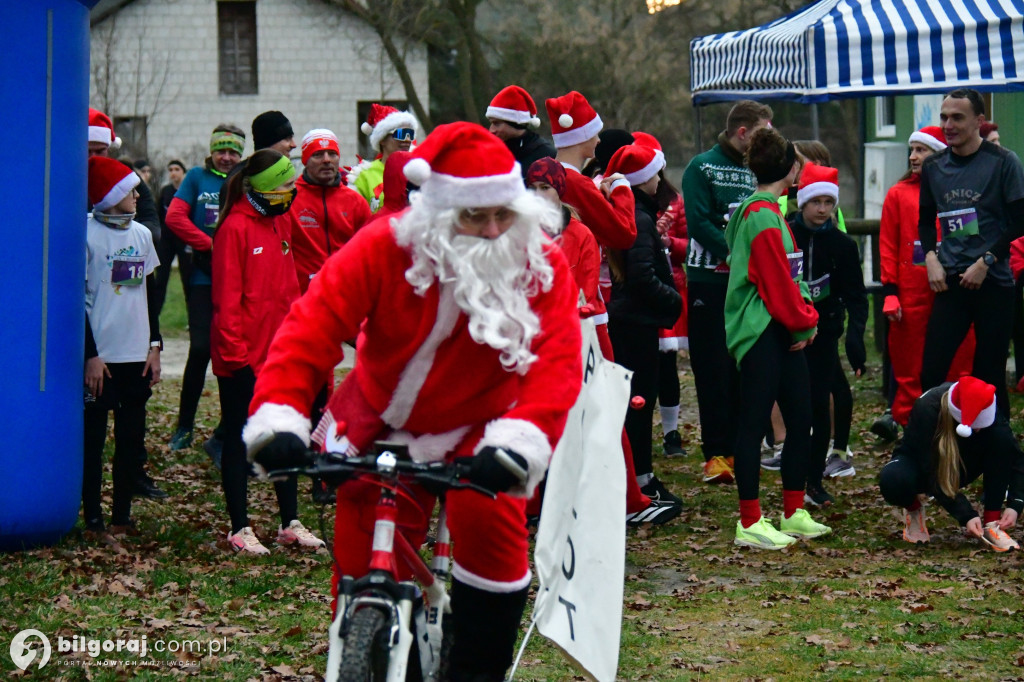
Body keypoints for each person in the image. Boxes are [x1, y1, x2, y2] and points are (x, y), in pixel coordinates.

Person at [243, 122, 583, 680]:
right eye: (474, 216)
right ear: (439, 214)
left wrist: (522, 442)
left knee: (493, 543)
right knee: (358, 551)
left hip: (484, 424)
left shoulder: (539, 263)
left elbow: (557, 361)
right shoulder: (385, 245)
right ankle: (358, 646)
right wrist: (279, 414)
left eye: (503, 212)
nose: (494, 229)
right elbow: (312, 324)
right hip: (378, 420)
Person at [526, 156, 676, 526]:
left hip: (586, 338)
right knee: (536, 423)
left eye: (547, 187)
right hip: (535, 343)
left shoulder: (581, 235)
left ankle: (624, 499)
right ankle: (533, 505)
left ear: (561, 191)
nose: (540, 195)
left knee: (602, 419)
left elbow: (587, 293)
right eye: (535, 188)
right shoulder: (520, 234)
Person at [211, 149, 324, 555]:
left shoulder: (281, 220)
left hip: (279, 357)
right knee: (242, 440)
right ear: (261, 188)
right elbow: (227, 303)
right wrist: (239, 361)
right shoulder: (234, 229)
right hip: (240, 361)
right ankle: (239, 527)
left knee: (286, 433)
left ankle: (289, 522)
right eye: (284, 184)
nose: (291, 190)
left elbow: (289, 289)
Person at [724, 126, 831, 550]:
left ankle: (792, 510)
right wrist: (805, 324)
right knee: (753, 424)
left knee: (801, 418)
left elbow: (790, 276)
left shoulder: (769, 211)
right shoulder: (763, 216)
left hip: (780, 329)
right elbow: (776, 285)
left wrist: (802, 319)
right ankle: (750, 520)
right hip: (763, 331)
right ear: (790, 169)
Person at [683, 100, 773, 484]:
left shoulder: (759, 170)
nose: (768, 140)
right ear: (743, 132)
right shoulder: (701, 166)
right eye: (762, 132)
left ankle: (743, 446)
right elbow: (699, 221)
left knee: (745, 364)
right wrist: (737, 253)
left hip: (749, 283)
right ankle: (716, 453)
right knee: (712, 366)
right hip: (710, 280)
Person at [919, 89, 1024, 417]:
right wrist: (931, 257)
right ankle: (934, 451)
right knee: (931, 372)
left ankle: (998, 457)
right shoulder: (934, 166)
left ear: (979, 121)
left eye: (957, 117)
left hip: (994, 283)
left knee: (989, 376)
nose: (948, 124)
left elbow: (1019, 221)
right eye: (944, 117)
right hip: (951, 282)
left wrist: (987, 260)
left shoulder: (1003, 161)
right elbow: (925, 221)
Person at [83, 156, 162, 534]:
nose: (136, 195)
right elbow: (75, 302)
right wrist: (91, 356)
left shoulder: (142, 236)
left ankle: (121, 517)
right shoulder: (84, 234)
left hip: (136, 357)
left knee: (130, 442)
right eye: (130, 189)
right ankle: (93, 518)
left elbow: (149, 293)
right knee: (93, 444)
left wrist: (155, 345)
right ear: (111, 195)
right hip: (102, 360)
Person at [879, 126, 975, 433]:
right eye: (912, 150)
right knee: (910, 364)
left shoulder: (959, 191)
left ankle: (958, 423)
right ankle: (912, 428)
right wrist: (890, 291)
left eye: (922, 150)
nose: (913, 156)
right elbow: (889, 246)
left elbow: (969, 237)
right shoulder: (898, 194)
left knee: (959, 358)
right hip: (911, 294)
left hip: (954, 289)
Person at [605, 144, 684, 512]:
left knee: (638, 402)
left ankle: (641, 476)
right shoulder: (639, 218)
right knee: (638, 402)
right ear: (640, 180)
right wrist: (672, 299)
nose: (659, 180)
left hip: (633, 321)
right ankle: (639, 481)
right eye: (654, 173)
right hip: (635, 323)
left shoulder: (637, 214)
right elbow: (641, 277)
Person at [164, 125, 246, 460]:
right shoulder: (197, 177)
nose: (226, 158)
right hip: (202, 277)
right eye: (221, 150)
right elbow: (174, 217)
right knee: (200, 349)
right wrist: (209, 244)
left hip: (238, 280)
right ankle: (184, 424)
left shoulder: (246, 180)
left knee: (234, 355)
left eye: (233, 152)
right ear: (211, 151)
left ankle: (227, 431)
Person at [788, 163, 867, 501]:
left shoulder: (843, 246)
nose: (822, 210)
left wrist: (855, 336)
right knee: (793, 407)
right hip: (787, 334)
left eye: (828, 203)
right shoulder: (785, 233)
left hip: (824, 334)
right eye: (815, 202)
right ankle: (790, 472)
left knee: (820, 405)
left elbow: (856, 295)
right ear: (801, 202)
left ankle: (812, 481)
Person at [879, 376, 1023, 551]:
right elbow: (930, 468)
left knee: (1000, 441)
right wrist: (966, 515)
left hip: (966, 463)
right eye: (976, 426)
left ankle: (992, 522)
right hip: (921, 463)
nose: (979, 430)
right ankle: (914, 509)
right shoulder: (927, 408)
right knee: (893, 479)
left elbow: (1015, 458)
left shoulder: (988, 405)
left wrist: (1016, 504)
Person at [633, 131, 689, 458]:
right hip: (643, 289)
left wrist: (669, 245)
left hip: (669, 286)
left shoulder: (674, 200)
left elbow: (687, 242)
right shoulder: (629, 202)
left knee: (667, 365)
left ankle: (671, 433)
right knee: (643, 366)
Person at [288, 129, 371, 294]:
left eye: (332, 154)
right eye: (318, 155)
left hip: (345, 297)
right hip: (301, 299)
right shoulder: (289, 200)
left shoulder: (356, 203)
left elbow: (367, 254)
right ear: (305, 160)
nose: (327, 160)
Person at [352, 103, 417, 212]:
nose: (406, 140)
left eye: (410, 134)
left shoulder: (419, 171)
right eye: (400, 134)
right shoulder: (363, 175)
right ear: (382, 139)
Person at [486, 85, 556, 177]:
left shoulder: (546, 155)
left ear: (515, 123)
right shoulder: (491, 153)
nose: (491, 130)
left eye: (496, 123)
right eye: (491, 123)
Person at [153, 159, 190, 315]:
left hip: (184, 239)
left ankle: (192, 316)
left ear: (183, 172)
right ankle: (154, 315)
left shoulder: (189, 191)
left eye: (176, 169)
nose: (173, 173)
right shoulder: (166, 191)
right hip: (167, 240)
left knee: (188, 279)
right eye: (170, 169)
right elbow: (159, 215)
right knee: (160, 279)